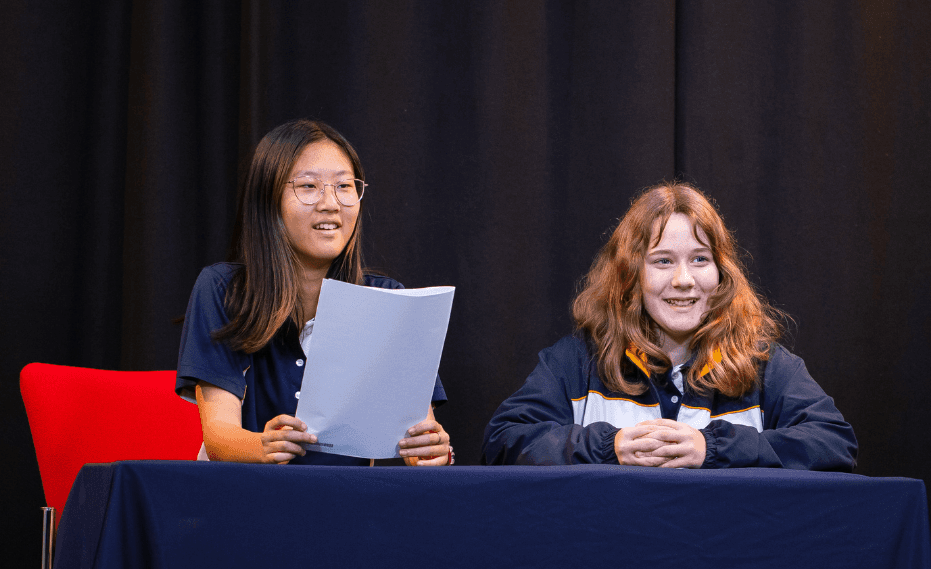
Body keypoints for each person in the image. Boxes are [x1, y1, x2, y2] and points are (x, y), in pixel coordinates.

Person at [483, 183, 857, 470]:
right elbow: (503, 440)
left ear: (721, 272)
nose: (683, 280)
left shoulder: (765, 365)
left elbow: (834, 443)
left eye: (700, 259)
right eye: (662, 261)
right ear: (631, 275)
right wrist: (610, 447)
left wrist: (713, 448)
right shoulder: (575, 361)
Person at [177, 118, 453, 465]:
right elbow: (219, 437)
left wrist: (430, 450)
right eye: (308, 186)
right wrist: (262, 446)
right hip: (247, 491)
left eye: (344, 186)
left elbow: (421, 430)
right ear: (268, 199)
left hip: (347, 495)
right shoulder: (224, 289)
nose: (330, 203)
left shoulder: (388, 299)